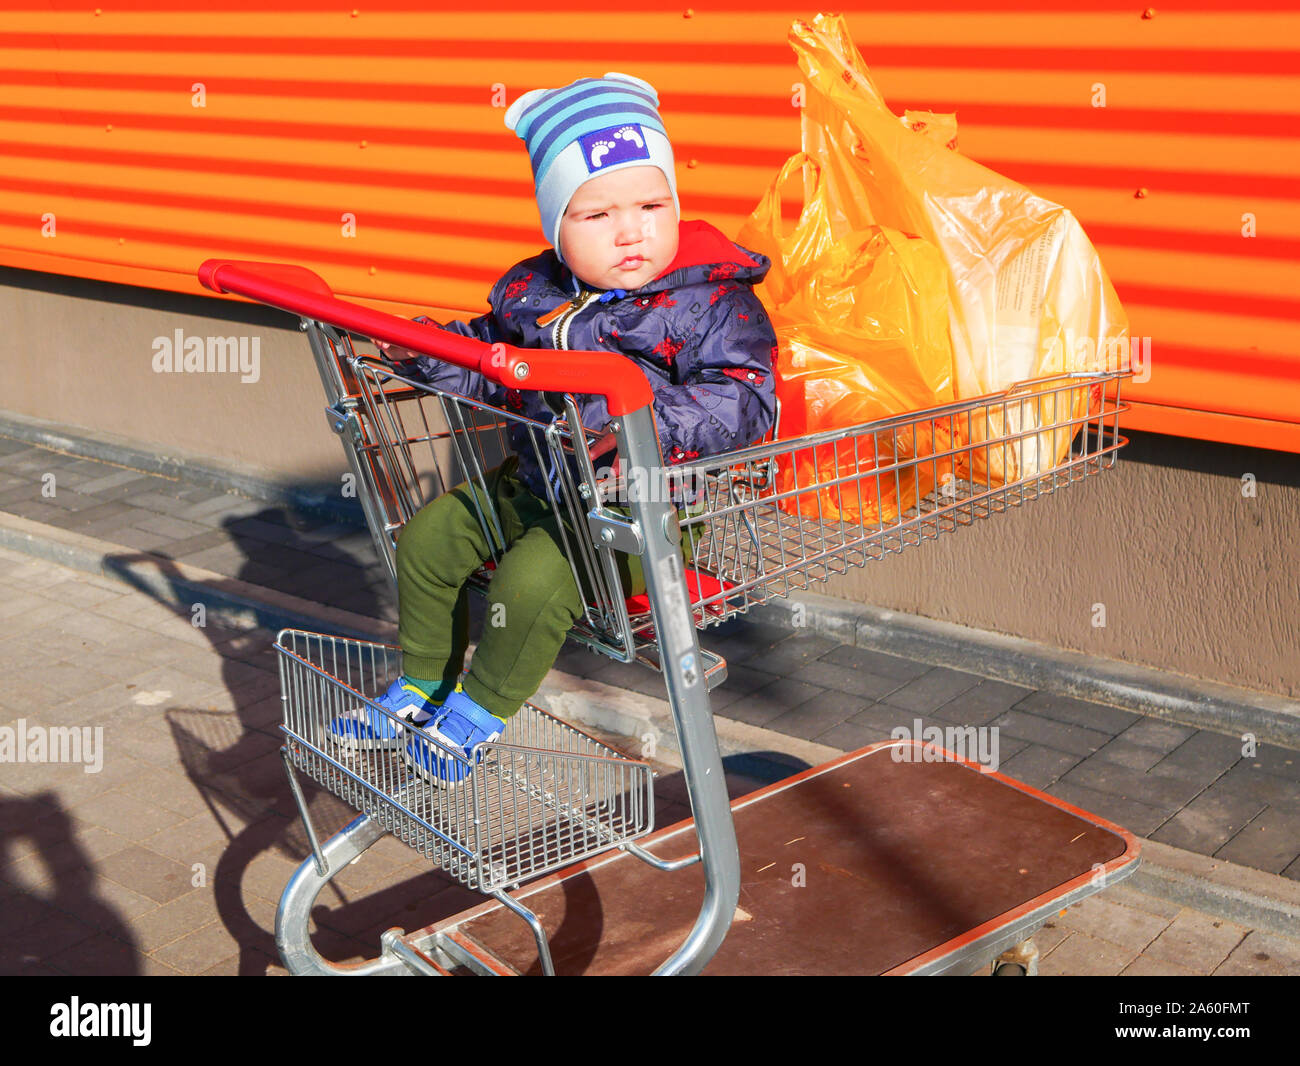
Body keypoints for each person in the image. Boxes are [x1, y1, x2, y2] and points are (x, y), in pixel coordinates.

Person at [331, 72, 778, 785]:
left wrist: (644, 420)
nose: (631, 229)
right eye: (596, 215)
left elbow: (747, 397)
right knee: (426, 539)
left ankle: (477, 714)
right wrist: (423, 351)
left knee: (529, 584)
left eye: (651, 204)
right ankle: (421, 686)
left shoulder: (711, 302)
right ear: (555, 227)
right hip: (537, 481)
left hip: (637, 506)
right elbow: (486, 361)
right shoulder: (533, 293)